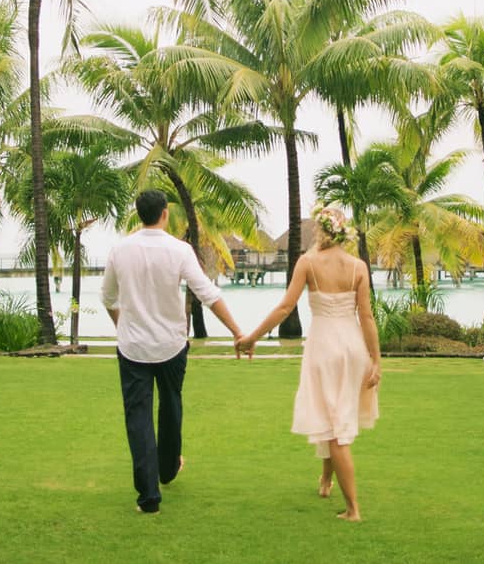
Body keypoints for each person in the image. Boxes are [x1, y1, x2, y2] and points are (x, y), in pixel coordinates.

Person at [101, 189, 246, 515]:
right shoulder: (179, 250)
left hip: (134, 347)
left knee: (138, 417)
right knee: (171, 406)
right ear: (165, 213)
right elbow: (208, 294)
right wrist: (237, 330)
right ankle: (167, 469)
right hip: (170, 345)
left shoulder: (120, 250)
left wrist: (122, 325)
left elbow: (108, 297)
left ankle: (149, 496)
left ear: (140, 214)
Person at [236, 204, 381, 521]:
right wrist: (375, 359)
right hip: (353, 347)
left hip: (325, 347)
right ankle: (326, 479)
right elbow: (367, 317)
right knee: (335, 413)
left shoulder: (308, 262)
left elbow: (285, 306)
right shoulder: (358, 266)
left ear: (321, 230)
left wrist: (253, 337)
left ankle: (354, 509)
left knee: (335, 427)